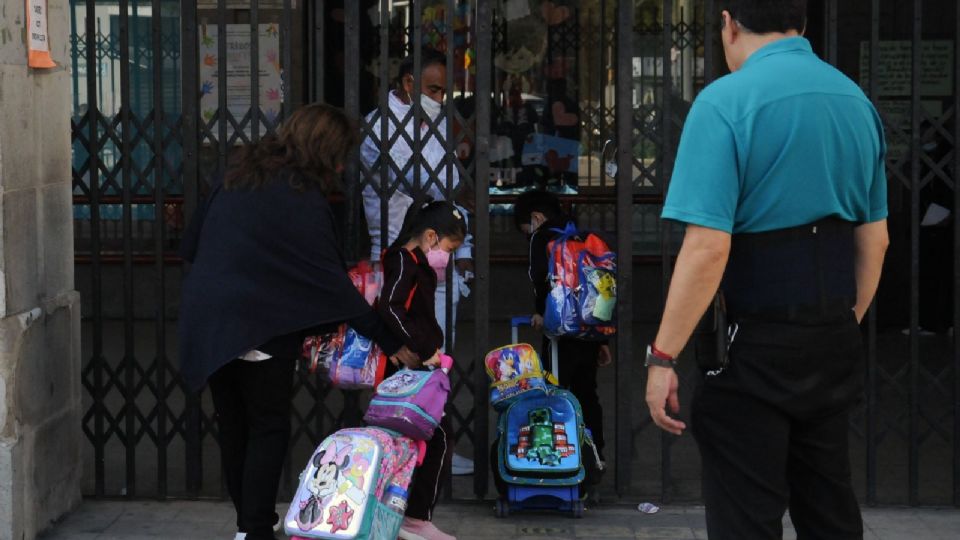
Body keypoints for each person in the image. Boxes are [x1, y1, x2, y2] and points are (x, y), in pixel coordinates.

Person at [643, 1, 889, 539]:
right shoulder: (854, 99)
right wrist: (844, 321)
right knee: (829, 506)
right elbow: (877, 237)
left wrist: (663, 357)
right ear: (801, 24)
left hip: (751, 340)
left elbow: (707, 248)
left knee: (745, 513)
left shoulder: (725, 103)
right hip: (832, 333)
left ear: (729, 23)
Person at [178, 104, 417, 540]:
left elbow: (191, 243)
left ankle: (246, 528)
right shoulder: (300, 194)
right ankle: (255, 531)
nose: (344, 165)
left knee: (234, 425)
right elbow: (330, 282)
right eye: (342, 154)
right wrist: (386, 338)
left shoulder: (237, 172)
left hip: (208, 318)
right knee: (267, 424)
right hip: (259, 322)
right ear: (325, 151)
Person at [360, 49, 476, 476]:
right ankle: (396, 459)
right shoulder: (380, 127)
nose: (440, 98)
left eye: (445, 91)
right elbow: (432, 186)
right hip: (400, 263)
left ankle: (430, 454)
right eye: (433, 89)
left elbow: (454, 197)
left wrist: (463, 252)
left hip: (439, 260)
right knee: (404, 362)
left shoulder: (435, 124)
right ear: (408, 84)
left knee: (436, 362)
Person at [377, 200, 466, 540]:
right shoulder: (405, 260)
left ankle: (404, 515)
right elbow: (390, 306)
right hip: (407, 371)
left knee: (418, 439)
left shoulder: (413, 263)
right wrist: (423, 348)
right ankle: (414, 518)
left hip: (416, 367)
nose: (448, 256)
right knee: (439, 436)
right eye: (448, 248)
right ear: (430, 236)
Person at [513, 190, 612, 465]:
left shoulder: (542, 236)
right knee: (587, 393)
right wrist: (602, 339)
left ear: (536, 217)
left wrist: (540, 312)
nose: (527, 234)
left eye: (525, 229)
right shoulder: (582, 236)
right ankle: (594, 454)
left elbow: (540, 279)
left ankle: (556, 455)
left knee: (553, 392)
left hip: (560, 333)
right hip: (590, 332)